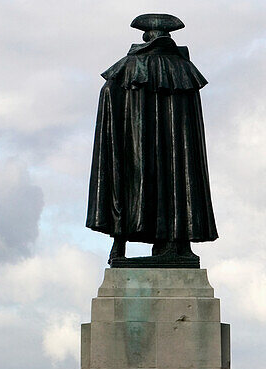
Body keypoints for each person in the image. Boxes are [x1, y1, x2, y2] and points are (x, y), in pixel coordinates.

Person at [87, 13, 217, 267]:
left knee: (130, 186)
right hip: (174, 155)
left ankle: (129, 245)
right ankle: (177, 241)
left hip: (134, 148)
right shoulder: (183, 69)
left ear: (146, 38)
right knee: (177, 182)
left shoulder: (128, 66)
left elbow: (108, 95)